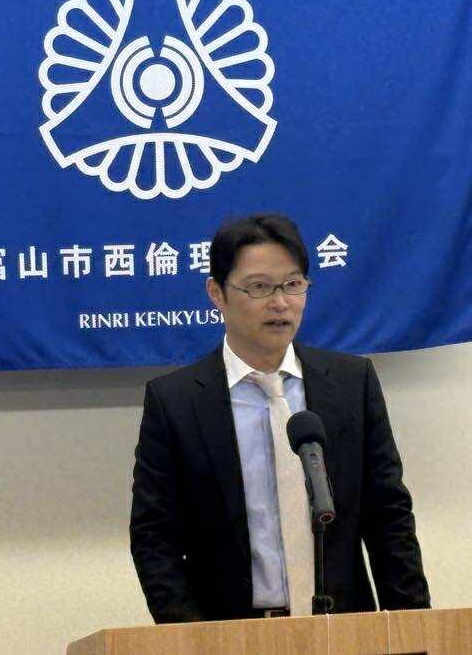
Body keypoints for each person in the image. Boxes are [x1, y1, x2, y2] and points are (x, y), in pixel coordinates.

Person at [129, 212, 430, 623]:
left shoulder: (351, 383)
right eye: (258, 287)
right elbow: (154, 538)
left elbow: (389, 517)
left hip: (344, 630)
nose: (280, 302)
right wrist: (191, 638)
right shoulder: (176, 402)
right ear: (217, 293)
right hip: (230, 636)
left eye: (292, 284)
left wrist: (413, 626)